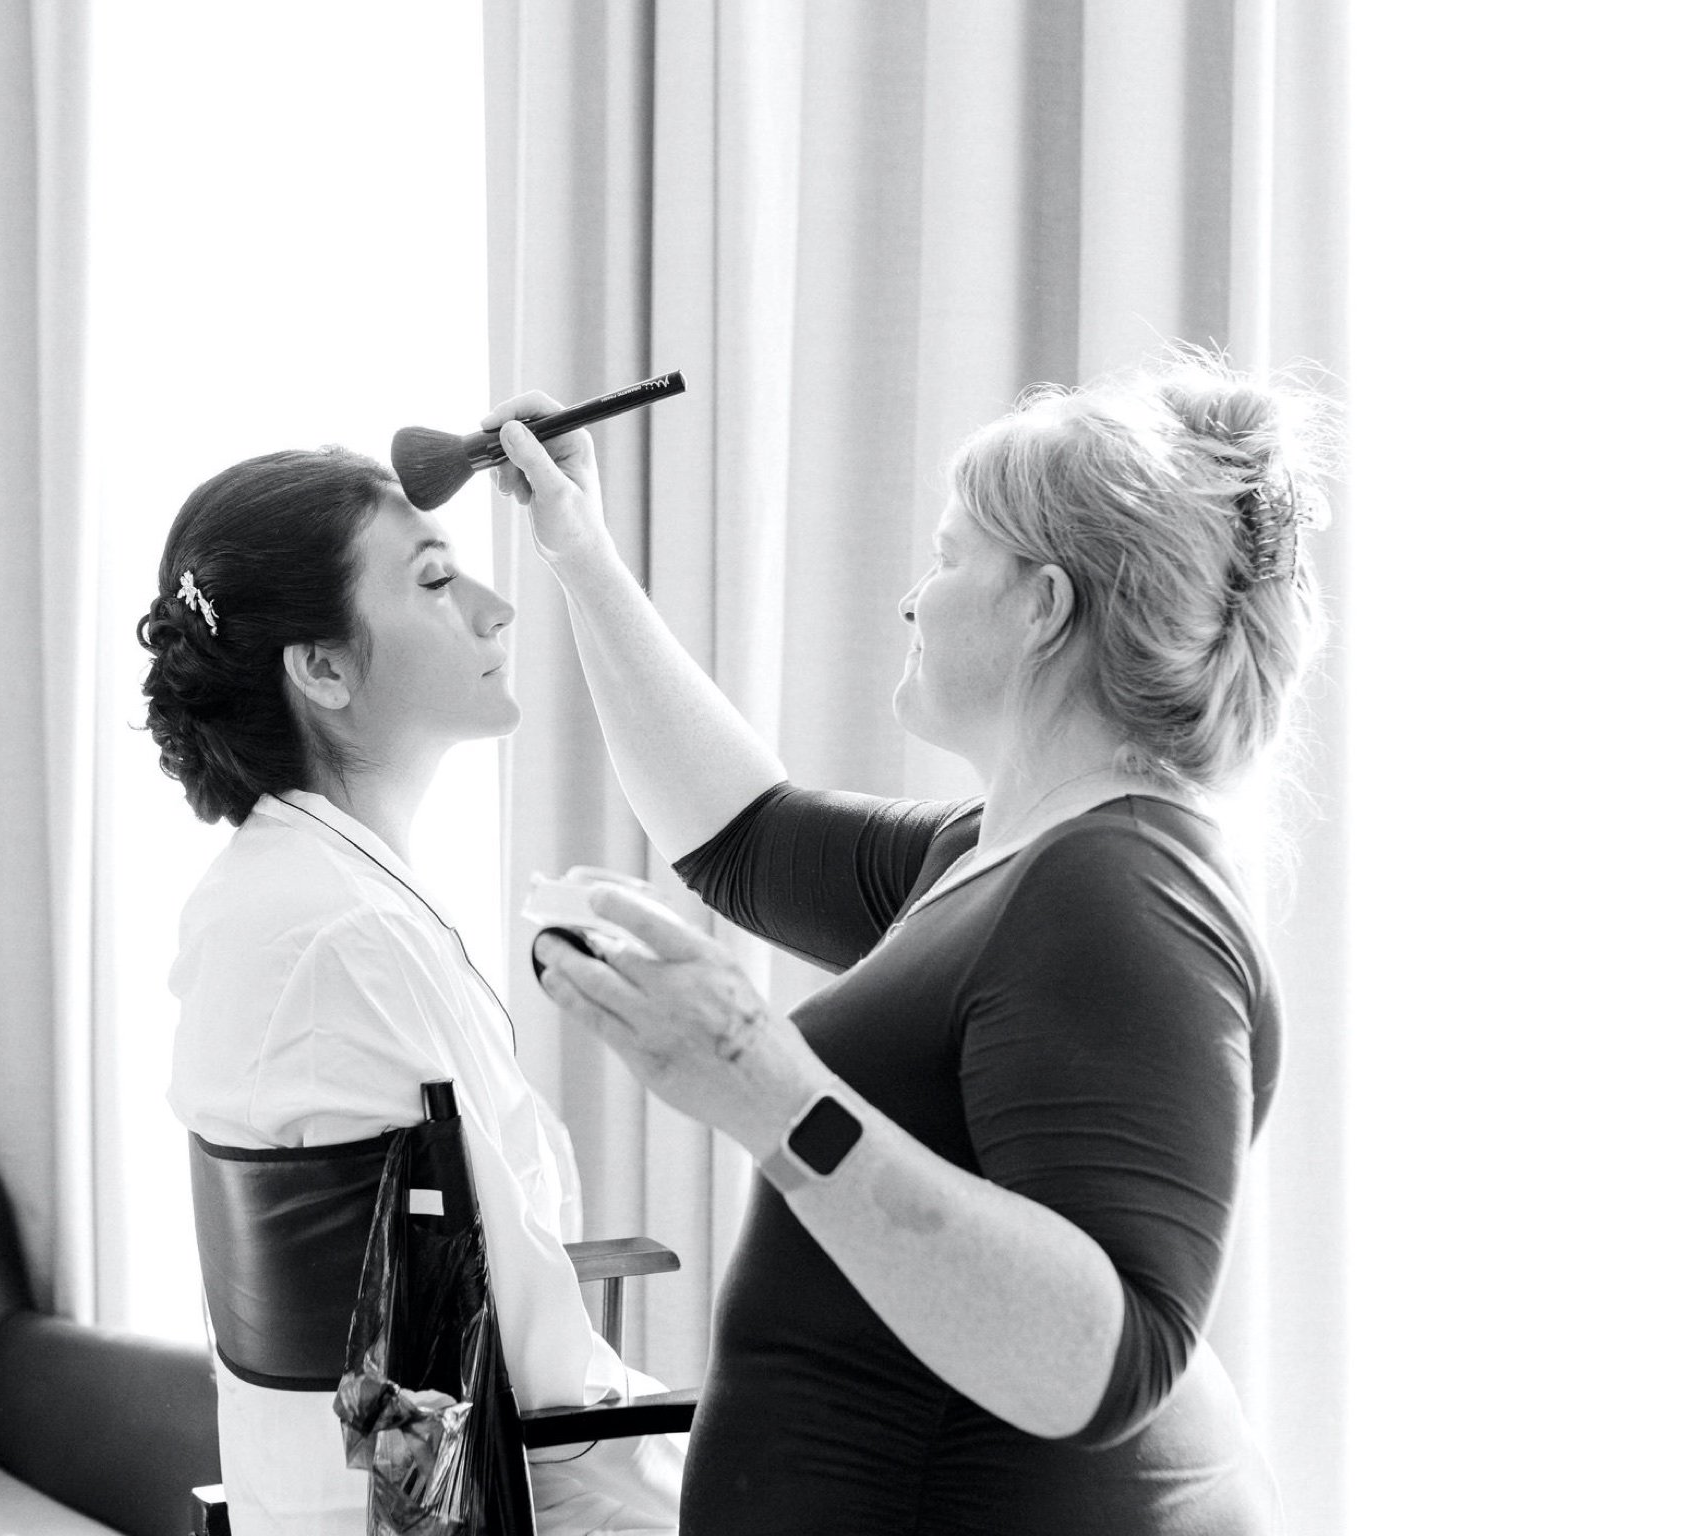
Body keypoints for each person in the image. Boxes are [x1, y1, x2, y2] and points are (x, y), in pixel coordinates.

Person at [489, 354, 1329, 1534]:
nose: (912, 598)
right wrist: (574, 543)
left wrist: (759, 1086)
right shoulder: (996, 853)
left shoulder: (1120, 893)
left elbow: (1108, 1358)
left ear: (1042, 604)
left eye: (946, 559)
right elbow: (739, 837)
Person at [139, 446, 684, 1536]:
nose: (493, 612)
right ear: (323, 670)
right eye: (435, 581)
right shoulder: (349, 934)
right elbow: (538, 1386)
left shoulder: (270, 894)